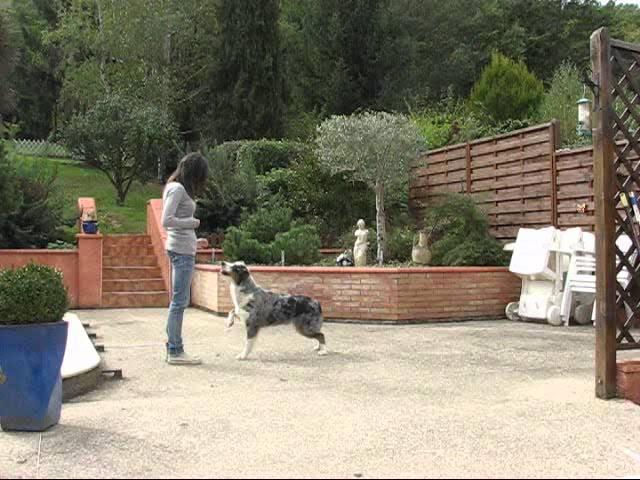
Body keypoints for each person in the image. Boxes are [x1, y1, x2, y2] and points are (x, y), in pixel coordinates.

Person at [162, 152, 209, 365]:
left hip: (183, 248)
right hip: (180, 252)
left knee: (178, 301)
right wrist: (192, 223)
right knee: (180, 302)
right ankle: (175, 350)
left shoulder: (175, 188)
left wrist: (195, 242)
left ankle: (172, 346)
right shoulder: (178, 189)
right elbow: (167, 220)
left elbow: (175, 222)